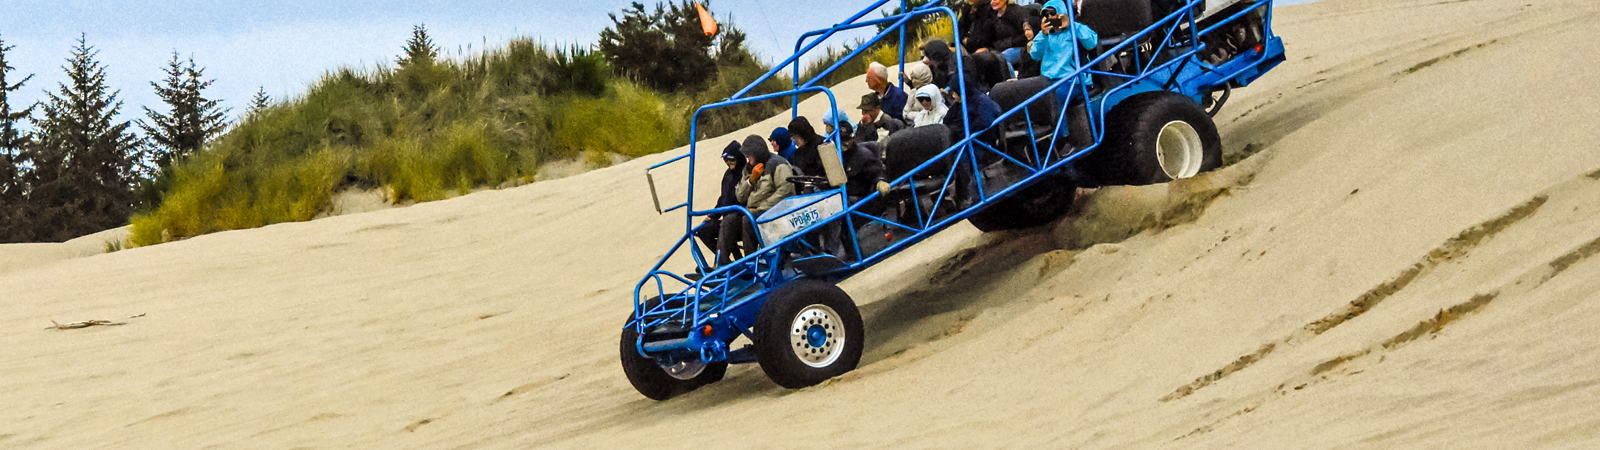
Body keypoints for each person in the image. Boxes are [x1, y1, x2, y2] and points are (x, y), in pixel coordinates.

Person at [717, 134, 796, 266]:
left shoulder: (778, 164)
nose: (748, 158)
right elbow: (740, 196)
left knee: (748, 219)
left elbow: (785, 191)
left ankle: (751, 261)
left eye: (750, 154)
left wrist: (761, 208)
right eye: (747, 155)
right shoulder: (748, 169)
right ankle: (722, 264)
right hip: (753, 212)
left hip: (775, 211)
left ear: (758, 152)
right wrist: (751, 179)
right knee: (729, 220)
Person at [695, 141, 747, 258]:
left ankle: (720, 263)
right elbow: (723, 199)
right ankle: (727, 262)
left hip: (741, 221)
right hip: (727, 220)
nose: (728, 162)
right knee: (704, 230)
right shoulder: (728, 175)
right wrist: (713, 215)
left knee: (727, 225)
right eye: (726, 160)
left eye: (731, 159)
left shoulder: (747, 173)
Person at [964, 0, 1030, 73]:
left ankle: (1009, 80)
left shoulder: (1017, 12)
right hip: (998, 48)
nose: (992, 2)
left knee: (1003, 57)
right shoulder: (991, 15)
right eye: (991, 0)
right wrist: (986, 48)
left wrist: (1007, 43)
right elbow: (988, 37)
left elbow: (1026, 36)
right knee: (978, 55)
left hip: (1020, 46)